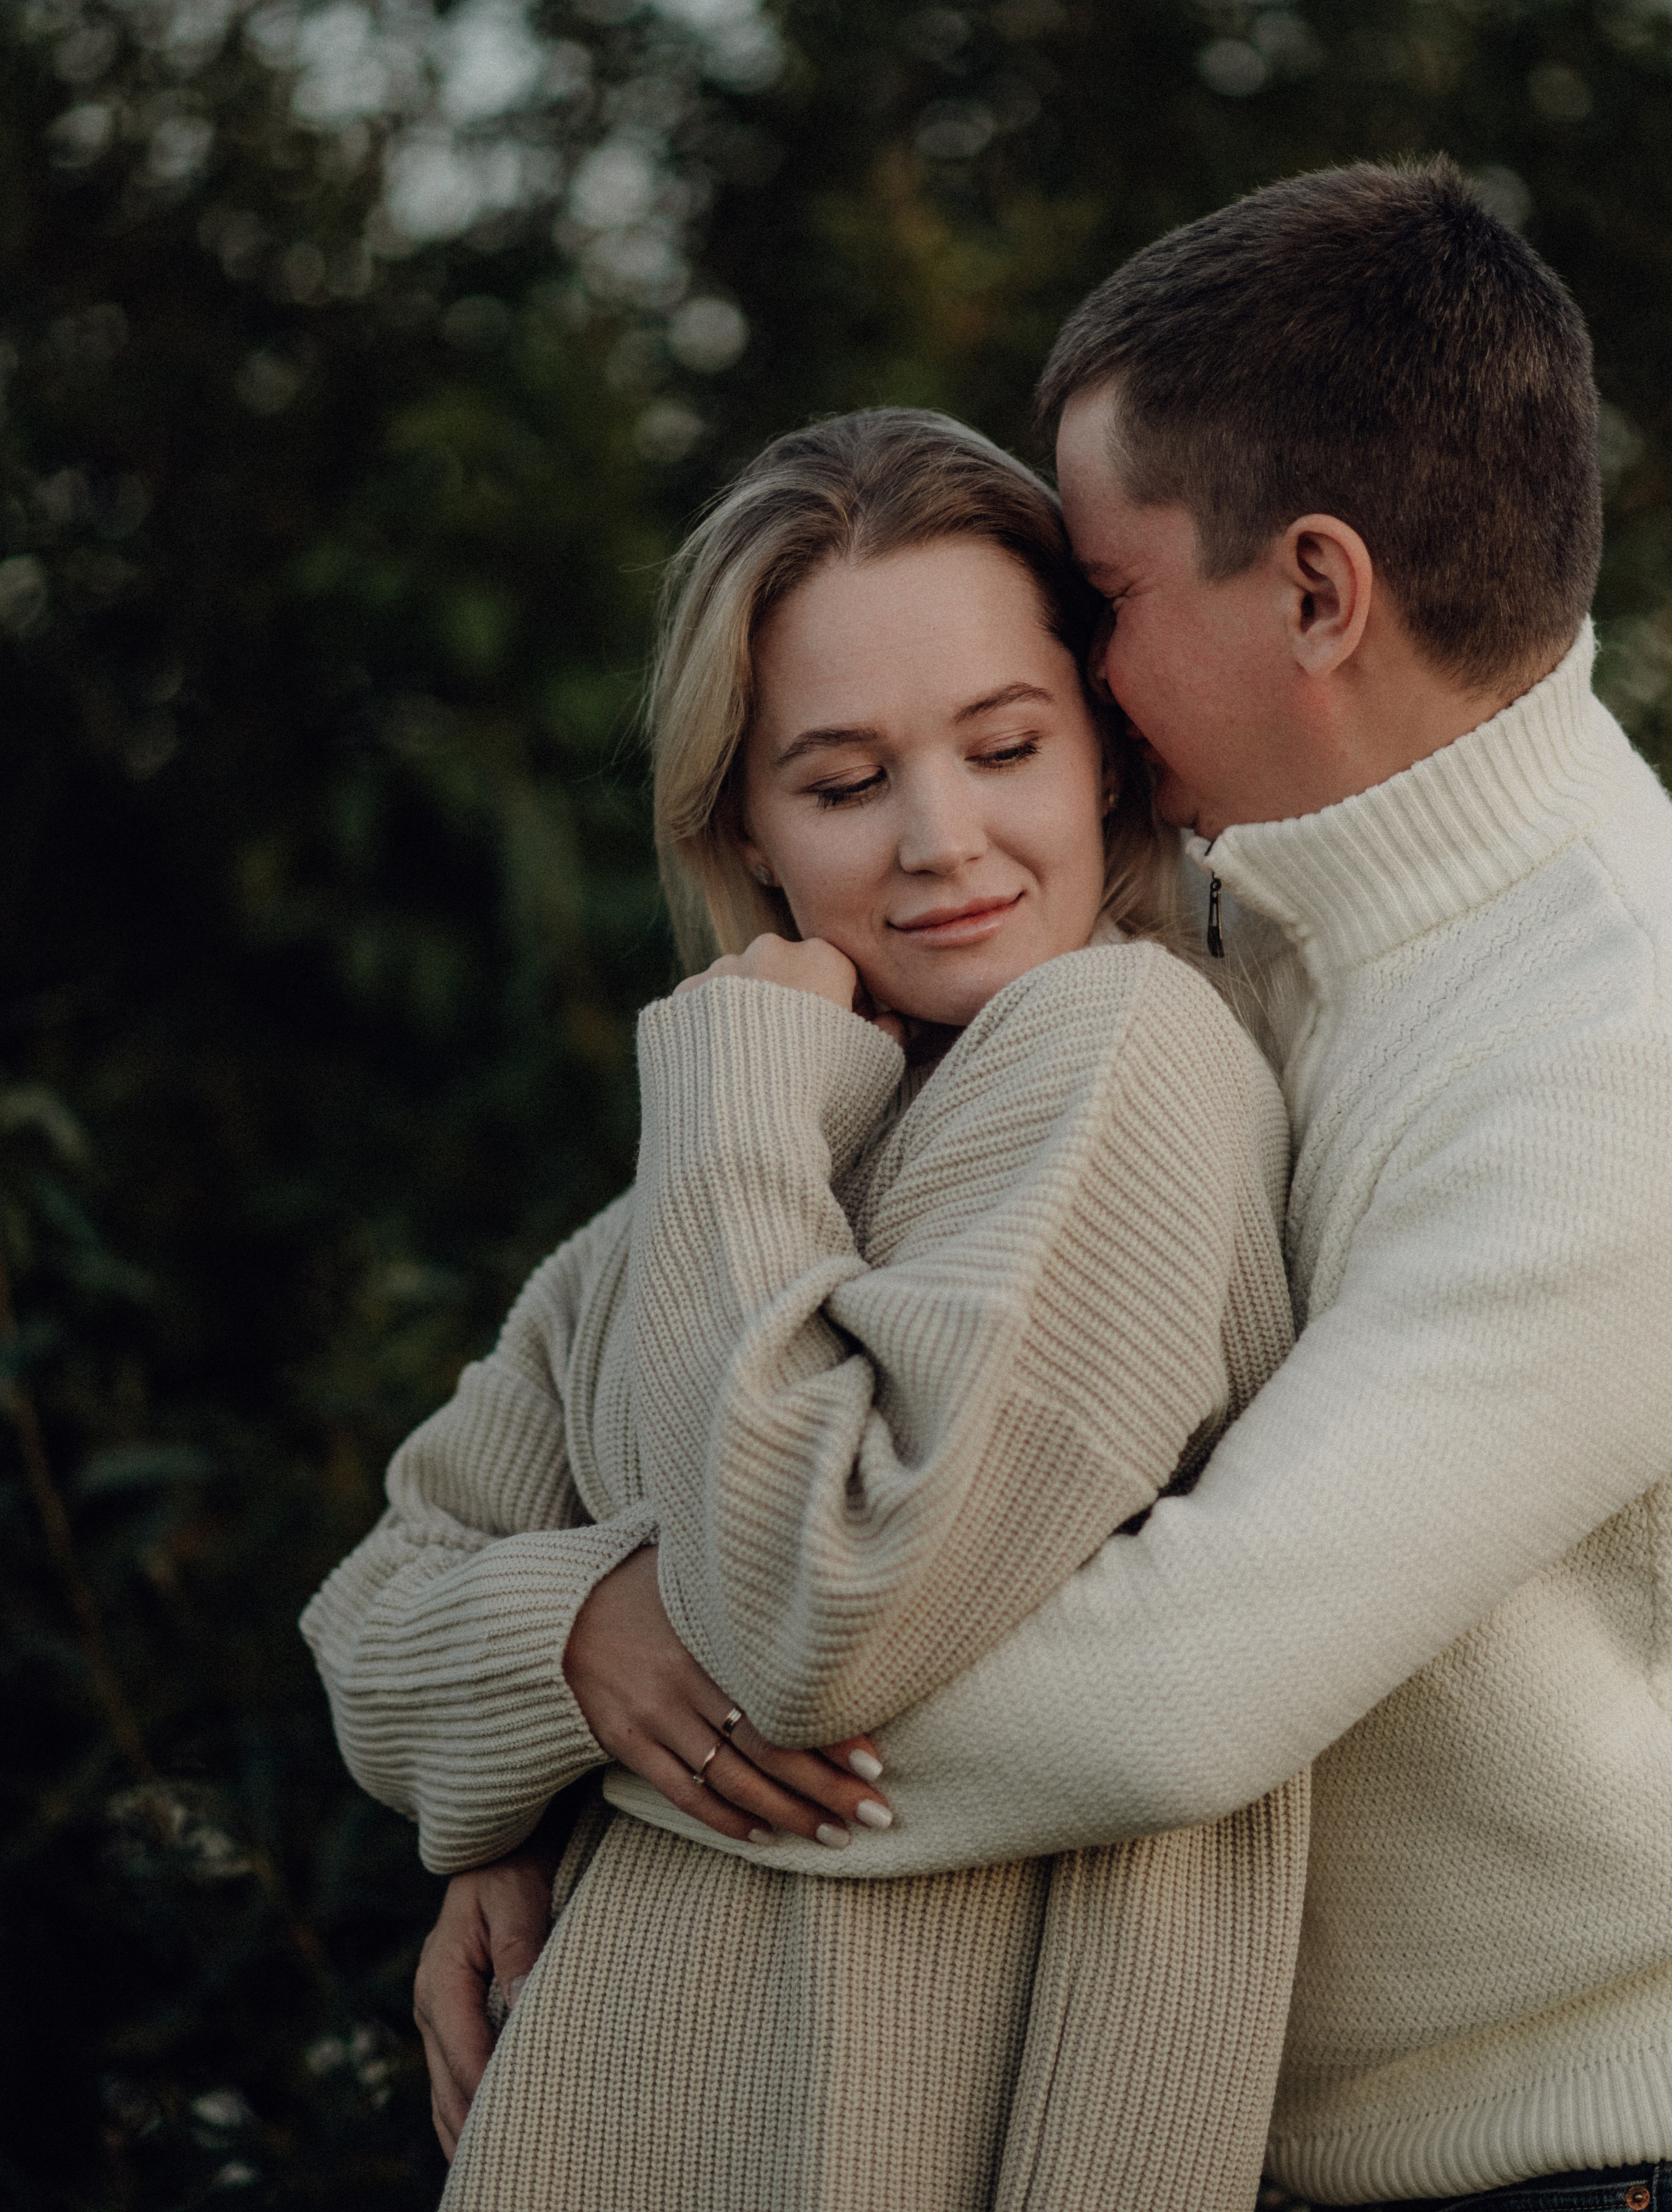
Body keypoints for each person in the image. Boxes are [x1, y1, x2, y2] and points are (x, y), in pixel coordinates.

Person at [415, 157, 1672, 2212]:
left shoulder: (1613, 1058)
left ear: (1319, 594)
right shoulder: (1238, 917)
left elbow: (1173, 1686)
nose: (1072, 677)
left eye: (1103, 597)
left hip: (1540, 2167)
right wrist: (550, 1656)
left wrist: (590, 1767)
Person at [302, 410, 1309, 2211]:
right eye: (843, 782)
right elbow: (372, 1621)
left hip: (910, 2139)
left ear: (1101, 754)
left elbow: (818, 1607)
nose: (942, 840)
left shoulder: (1118, 1052)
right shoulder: (718, 1177)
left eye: (1005, 744)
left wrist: (747, 1074)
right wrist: (578, 1642)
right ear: (746, 828)